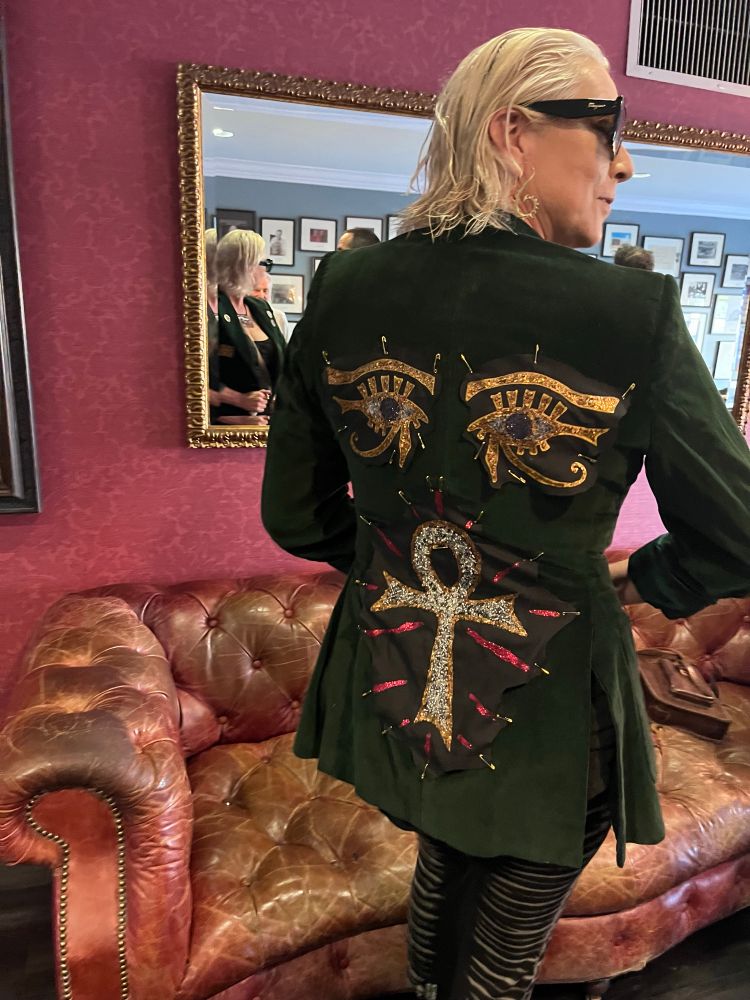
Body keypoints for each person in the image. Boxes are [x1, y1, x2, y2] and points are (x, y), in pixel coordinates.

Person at [261, 27, 750, 1000]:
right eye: (607, 127)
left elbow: (296, 515)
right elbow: (739, 530)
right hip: (550, 691)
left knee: (447, 873)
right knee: (502, 957)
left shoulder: (347, 285)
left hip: (402, 669)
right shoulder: (631, 313)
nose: (624, 164)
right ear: (513, 132)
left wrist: (400, 565)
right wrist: (645, 580)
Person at [214, 229, 286, 423]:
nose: (266, 270)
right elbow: (194, 377)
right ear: (244, 265)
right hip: (226, 428)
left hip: (270, 424)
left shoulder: (261, 308)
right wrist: (239, 400)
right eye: (264, 263)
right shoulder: (211, 308)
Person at [249, 266, 290, 343]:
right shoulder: (241, 315)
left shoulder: (279, 317)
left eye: (265, 291)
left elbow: (285, 347)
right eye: (257, 290)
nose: (261, 295)